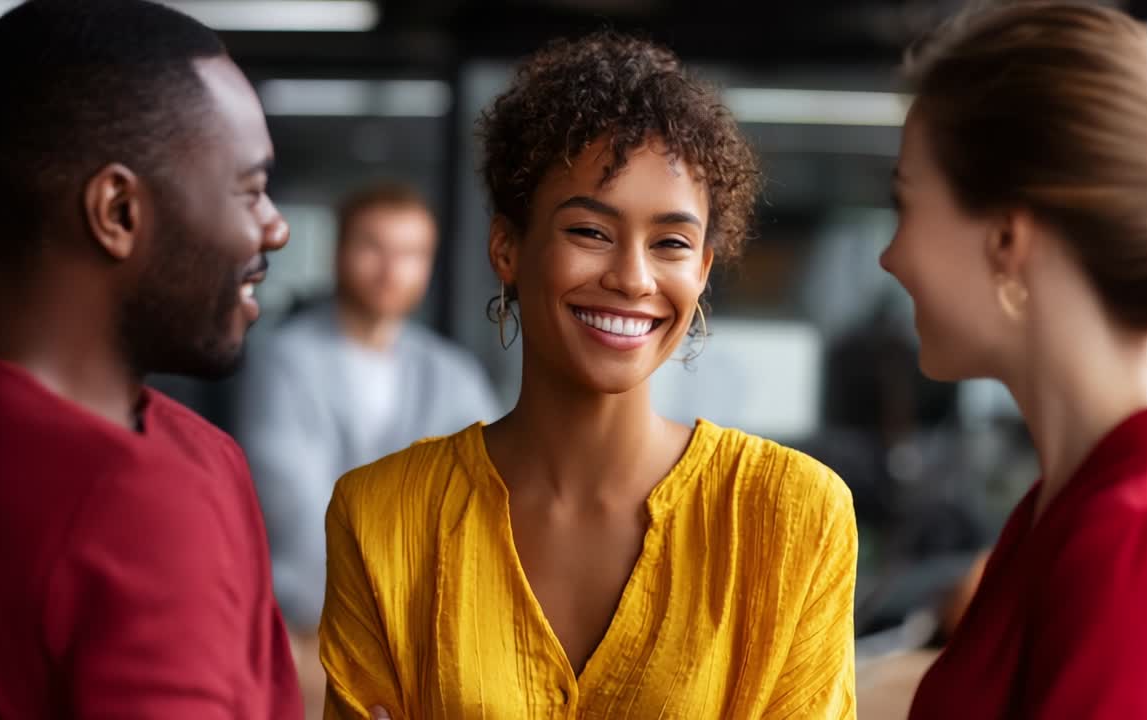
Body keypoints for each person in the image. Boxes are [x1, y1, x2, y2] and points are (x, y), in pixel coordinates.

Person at [319, 31, 858, 718]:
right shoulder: (383, 519)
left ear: (702, 271)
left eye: (671, 243)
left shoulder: (793, 517)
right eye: (589, 232)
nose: (633, 278)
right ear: (507, 247)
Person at [0, 1, 302, 717]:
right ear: (118, 213)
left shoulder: (206, 461)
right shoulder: (148, 504)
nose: (276, 227)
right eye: (250, 191)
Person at [880, 3, 1147, 717]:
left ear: (1006, 238)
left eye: (905, 203)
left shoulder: (1137, 547)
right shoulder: (1064, 510)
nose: (891, 256)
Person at [236, 182, 500, 636]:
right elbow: (294, 515)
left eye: (411, 253)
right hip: (308, 626)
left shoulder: (453, 374)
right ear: (338, 251)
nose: (391, 270)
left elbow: (491, 503)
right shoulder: (284, 360)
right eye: (373, 247)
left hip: (431, 631)